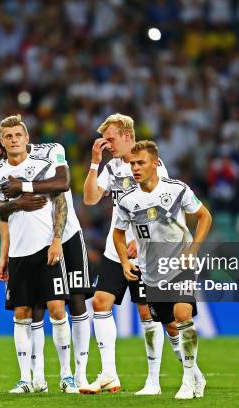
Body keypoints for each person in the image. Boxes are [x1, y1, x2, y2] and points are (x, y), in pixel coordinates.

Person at [80, 113, 183, 395]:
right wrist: (94, 163)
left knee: (159, 318)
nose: (108, 144)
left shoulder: (152, 165)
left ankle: (184, 370)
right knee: (101, 303)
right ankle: (109, 374)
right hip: (118, 249)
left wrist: (145, 236)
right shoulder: (111, 167)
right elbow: (89, 199)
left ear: (127, 136)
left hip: (146, 251)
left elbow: (166, 205)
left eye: (111, 139)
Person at [0, 124, 93, 390]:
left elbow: (62, 192)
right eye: (2, 142)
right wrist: (16, 205)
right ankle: (33, 378)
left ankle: (72, 375)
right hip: (21, 250)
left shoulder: (48, 157)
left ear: (26, 137)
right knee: (28, 312)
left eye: (14, 137)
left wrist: (56, 239)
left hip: (56, 240)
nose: (6, 145)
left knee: (65, 306)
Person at [113, 141, 212, 399]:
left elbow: (205, 216)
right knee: (169, 327)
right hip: (150, 271)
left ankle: (188, 382)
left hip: (180, 263)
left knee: (182, 313)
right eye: (132, 164)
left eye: (140, 163)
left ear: (155, 164)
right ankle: (198, 375)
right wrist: (125, 261)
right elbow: (118, 234)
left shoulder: (177, 190)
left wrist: (193, 249)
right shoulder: (127, 200)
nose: (135, 168)